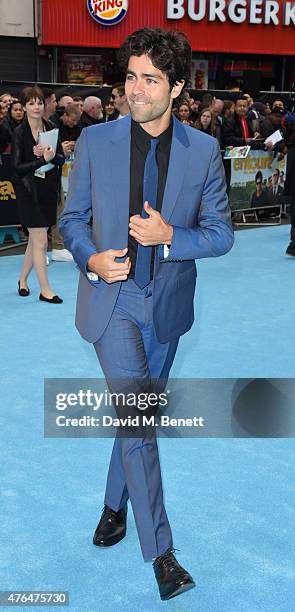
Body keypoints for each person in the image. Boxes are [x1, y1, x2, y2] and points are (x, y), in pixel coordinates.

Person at [60, 27, 234, 601]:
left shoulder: (203, 150)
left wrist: (169, 236)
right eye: (130, 76)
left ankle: (114, 505)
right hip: (111, 304)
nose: (135, 90)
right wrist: (90, 259)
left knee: (140, 419)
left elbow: (220, 236)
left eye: (150, 80)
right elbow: (72, 219)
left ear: (178, 87)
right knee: (138, 422)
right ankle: (160, 551)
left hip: (166, 307)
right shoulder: (97, 142)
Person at [12, 86, 64, 303]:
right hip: (27, 191)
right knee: (41, 239)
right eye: (31, 103)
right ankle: (45, 290)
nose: (36, 107)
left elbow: (61, 158)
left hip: (48, 189)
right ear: (24, 106)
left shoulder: (51, 127)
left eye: (39, 102)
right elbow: (17, 168)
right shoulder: (19, 133)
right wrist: (41, 160)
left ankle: (22, 280)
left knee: (35, 241)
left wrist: (51, 156)